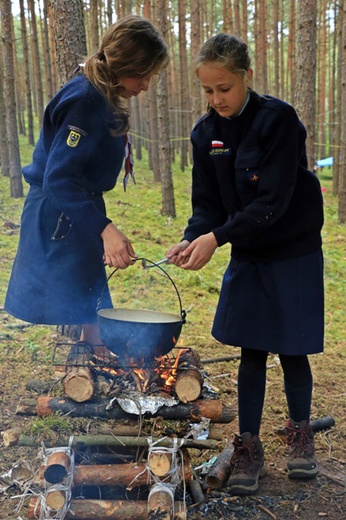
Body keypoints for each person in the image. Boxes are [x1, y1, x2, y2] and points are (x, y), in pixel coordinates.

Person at [166, 34, 324, 495]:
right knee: (252, 351)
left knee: (293, 349)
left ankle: (300, 436)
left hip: (293, 251)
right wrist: (192, 236)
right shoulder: (204, 134)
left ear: (246, 78)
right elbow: (207, 204)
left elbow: (272, 201)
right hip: (249, 254)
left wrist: (216, 237)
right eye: (208, 91)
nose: (216, 100)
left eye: (225, 89)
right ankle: (248, 446)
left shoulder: (279, 121)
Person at [5, 15, 168, 346]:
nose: (146, 85)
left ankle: (96, 357)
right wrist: (104, 229)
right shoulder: (85, 99)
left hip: (76, 209)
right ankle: (87, 363)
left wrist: (99, 227)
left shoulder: (99, 96)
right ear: (127, 64)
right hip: (58, 215)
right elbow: (59, 179)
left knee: (91, 301)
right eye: (145, 74)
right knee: (82, 302)